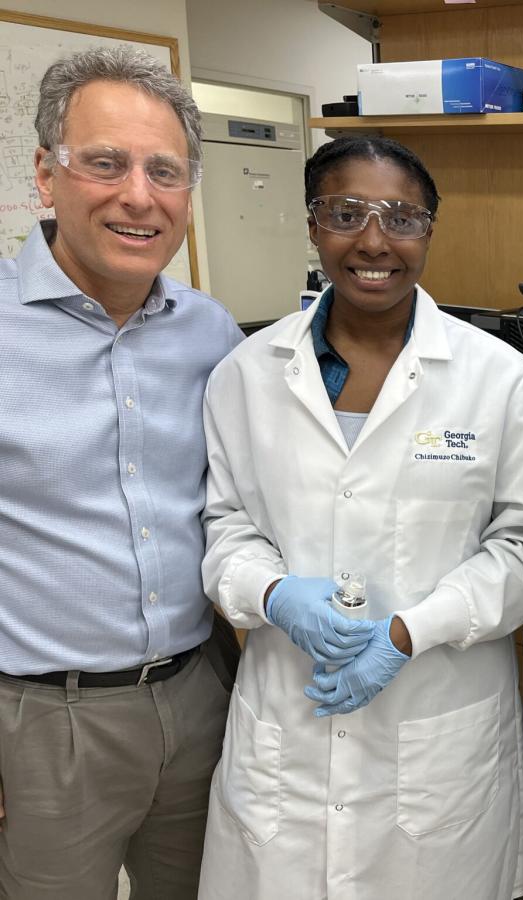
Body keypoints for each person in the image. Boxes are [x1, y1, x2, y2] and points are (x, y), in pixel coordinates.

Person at [197, 135, 523, 899]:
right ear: (313, 225)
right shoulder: (245, 374)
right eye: (346, 213)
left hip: (437, 726)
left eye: (402, 218)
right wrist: (273, 595)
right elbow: (226, 528)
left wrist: (406, 633)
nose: (374, 241)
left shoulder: (498, 377)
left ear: (429, 231)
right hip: (288, 725)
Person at [0, 47, 243, 898]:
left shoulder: (215, 336)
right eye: (105, 162)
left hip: (201, 695)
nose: (138, 195)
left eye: (164, 171)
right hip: (39, 723)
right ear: (46, 173)